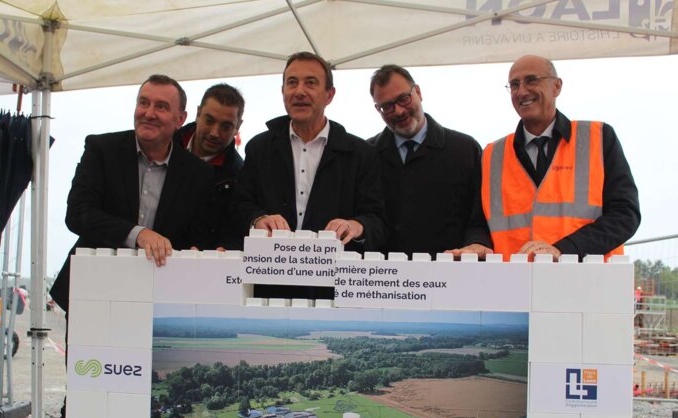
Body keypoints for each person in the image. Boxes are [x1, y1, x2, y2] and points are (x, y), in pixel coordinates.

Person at [41, 74, 215, 418]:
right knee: (84, 398)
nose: (148, 113)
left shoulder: (197, 174)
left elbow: (200, 232)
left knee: (141, 403)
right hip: (97, 299)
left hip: (157, 308)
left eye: (161, 107)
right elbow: (78, 214)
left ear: (181, 120)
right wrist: (136, 234)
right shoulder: (102, 149)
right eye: (143, 103)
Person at [232, 52, 387, 298]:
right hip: (266, 289)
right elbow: (240, 204)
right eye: (292, 83)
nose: (299, 91)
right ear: (282, 91)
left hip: (332, 293)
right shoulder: (259, 148)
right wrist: (257, 219)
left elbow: (377, 219)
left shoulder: (360, 154)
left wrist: (356, 226)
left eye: (310, 83)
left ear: (329, 95)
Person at [482, 54, 640, 260]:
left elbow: (625, 215)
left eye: (532, 80)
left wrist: (566, 249)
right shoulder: (492, 154)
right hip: (515, 283)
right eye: (514, 84)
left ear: (557, 87)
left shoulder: (599, 138)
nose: (521, 91)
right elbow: (478, 223)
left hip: (586, 281)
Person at [367, 64, 491, 258]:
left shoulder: (465, 149)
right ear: (378, 110)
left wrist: (476, 244)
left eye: (403, 99)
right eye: (387, 106)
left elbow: (480, 215)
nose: (398, 111)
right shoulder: (368, 155)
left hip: (449, 275)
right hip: (386, 280)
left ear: (418, 92)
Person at [175, 83, 245, 250]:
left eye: (226, 126)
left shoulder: (240, 176)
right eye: (209, 120)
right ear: (198, 113)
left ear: (238, 127)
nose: (215, 132)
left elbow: (235, 230)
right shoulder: (164, 148)